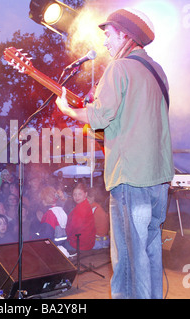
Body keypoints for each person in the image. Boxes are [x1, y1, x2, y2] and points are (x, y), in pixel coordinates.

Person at [56, 8, 174, 299]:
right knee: (149, 249)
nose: (106, 42)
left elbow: (100, 116)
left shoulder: (118, 68)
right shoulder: (158, 71)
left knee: (129, 258)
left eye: (108, 34)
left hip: (130, 175)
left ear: (125, 35)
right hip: (158, 178)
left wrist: (70, 110)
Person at [65, 183, 96, 252]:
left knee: (58, 245)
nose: (77, 197)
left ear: (85, 194)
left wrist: (68, 237)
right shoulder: (85, 204)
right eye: (74, 194)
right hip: (88, 242)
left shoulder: (81, 208)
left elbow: (74, 228)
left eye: (79, 194)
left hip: (80, 244)